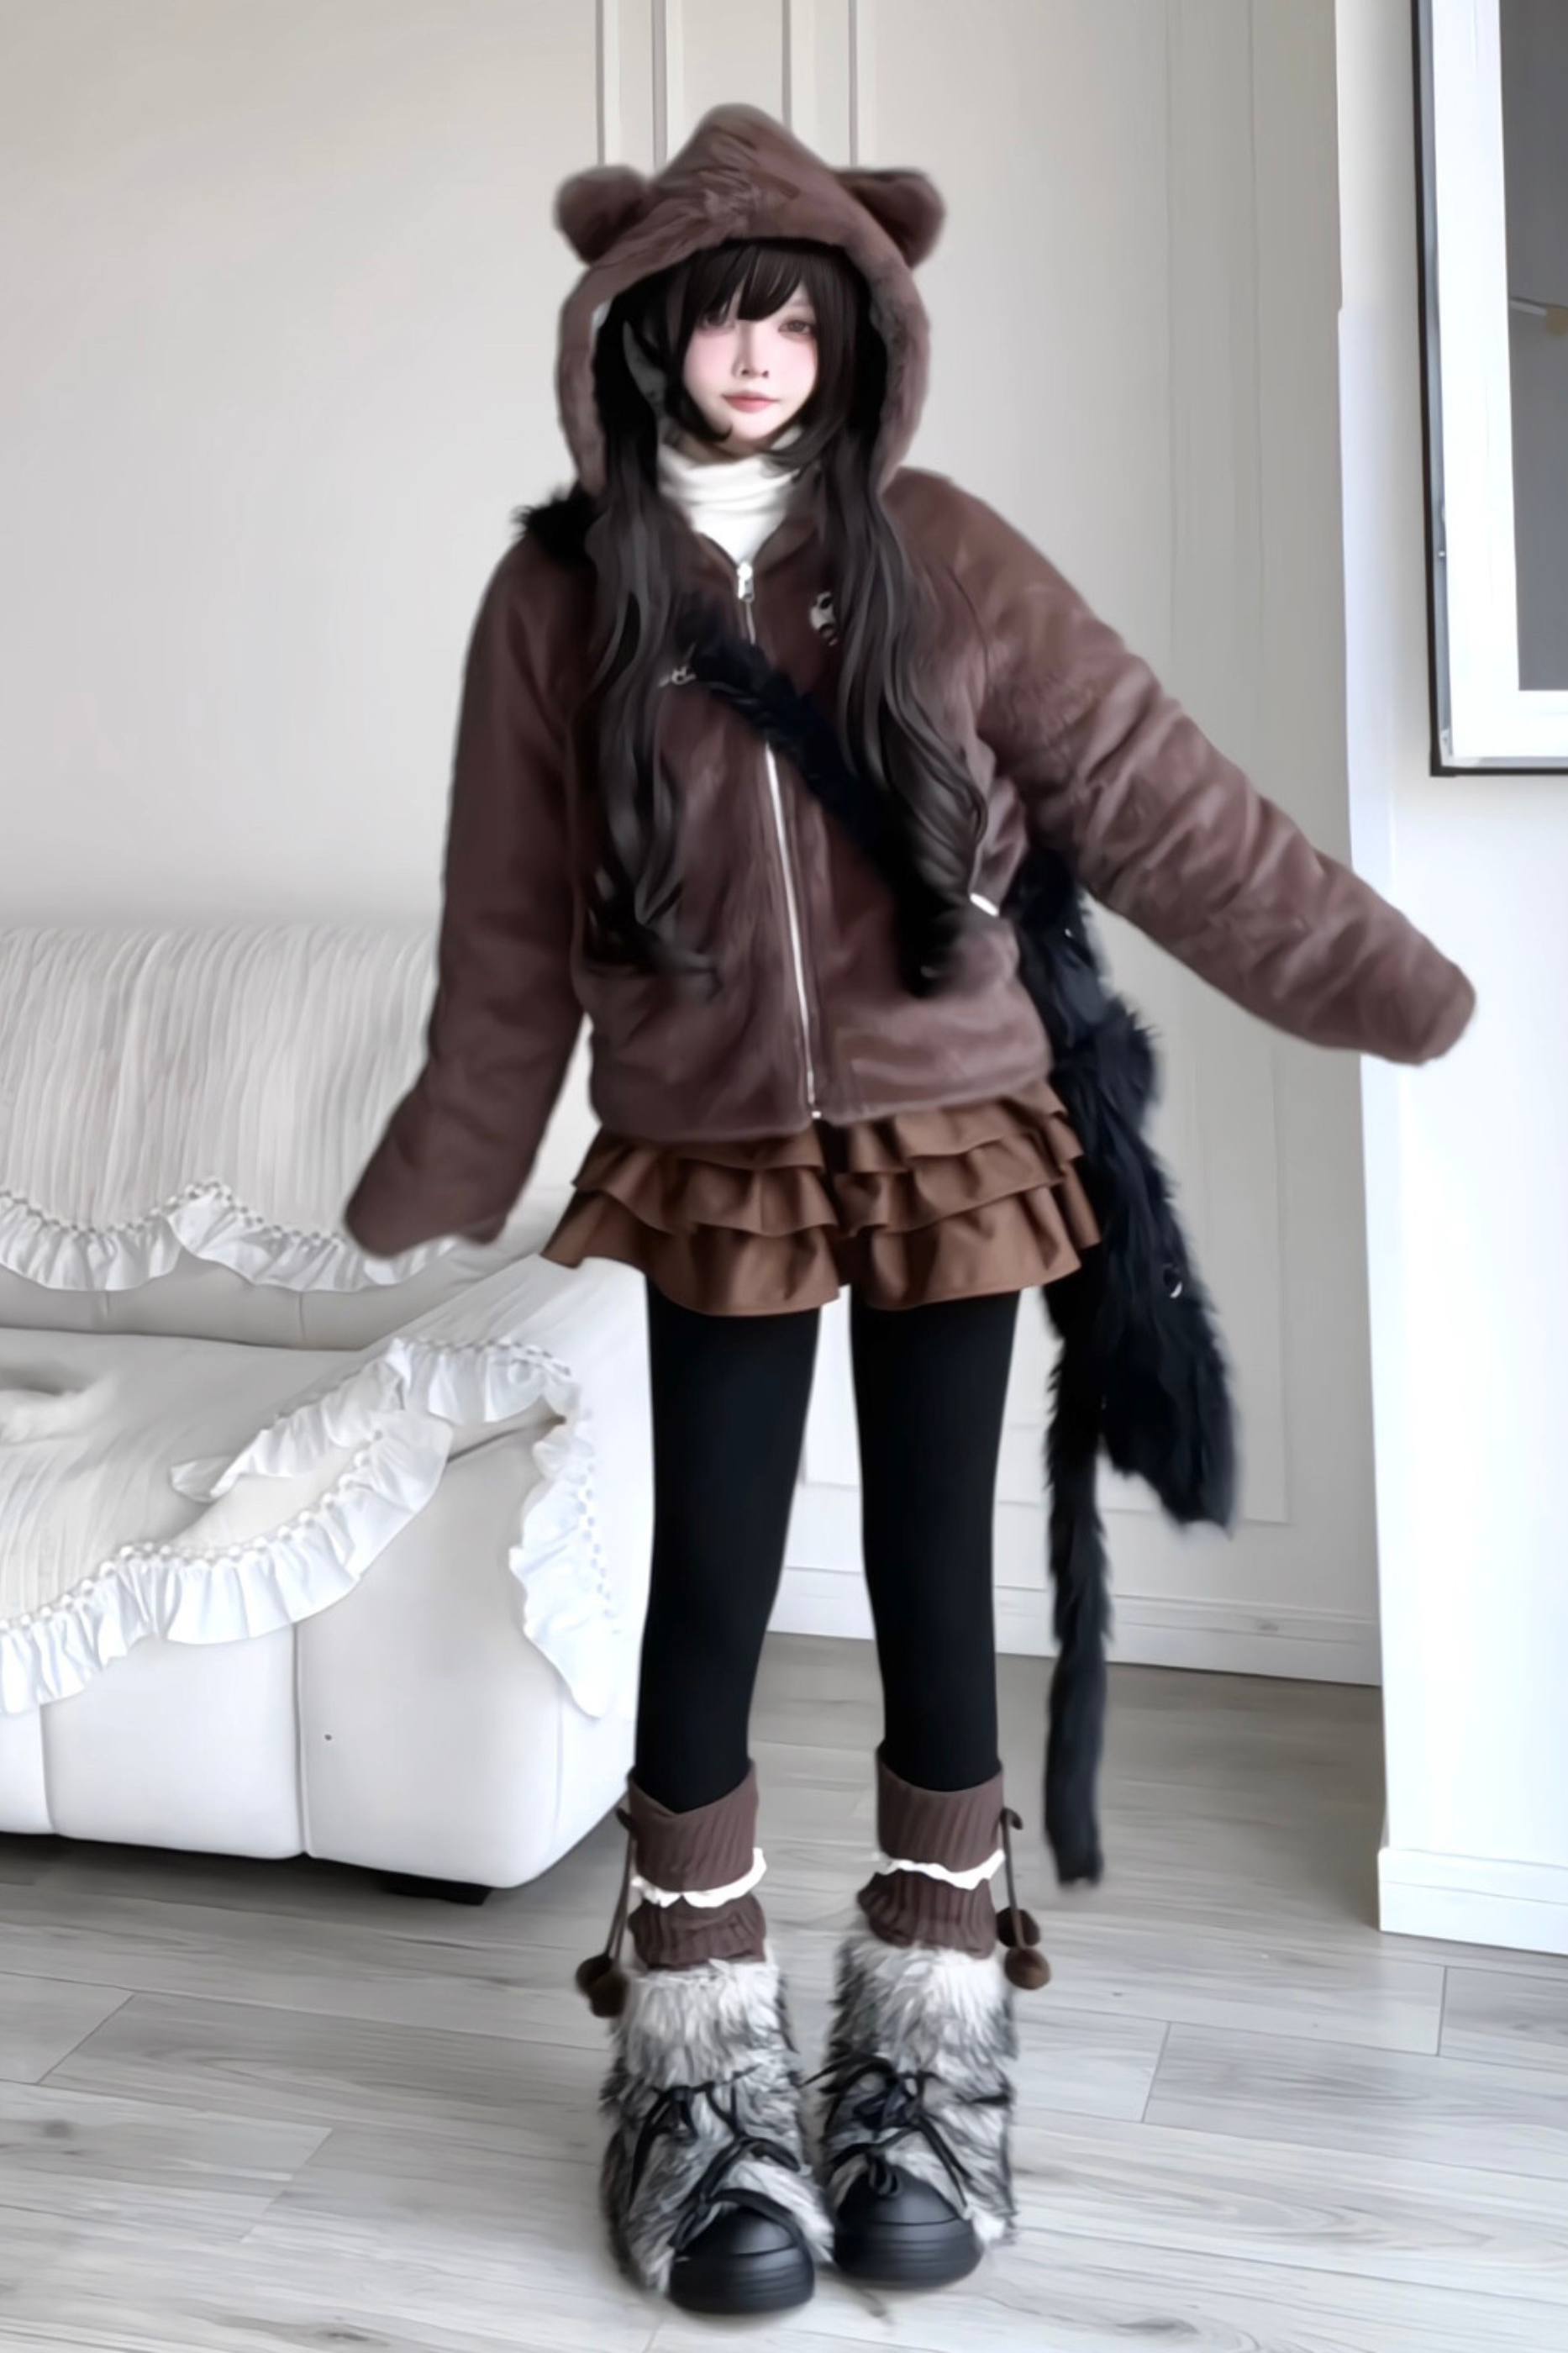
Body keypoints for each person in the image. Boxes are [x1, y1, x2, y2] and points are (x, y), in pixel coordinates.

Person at [342, 103, 1475, 2320]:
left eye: (796, 313)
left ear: (857, 333)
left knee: (938, 1575)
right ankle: (693, 2073)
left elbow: (1165, 806)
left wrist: (1392, 984)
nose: (758, 350)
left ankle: (929, 2054)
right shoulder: (558, 595)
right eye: (717, 313)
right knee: (711, 1577)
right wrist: (449, 1161)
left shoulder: (945, 553)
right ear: (640, 331)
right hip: (715, 1153)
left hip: (958, 1136)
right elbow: (505, 923)